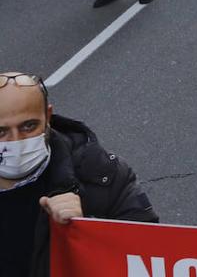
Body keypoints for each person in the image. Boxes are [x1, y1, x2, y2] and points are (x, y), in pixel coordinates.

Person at [0, 72, 158, 277]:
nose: (16, 141)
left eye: (28, 126)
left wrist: (86, 228)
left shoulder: (103, 176)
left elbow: (150, 253)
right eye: (1, 131)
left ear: (47, 117)